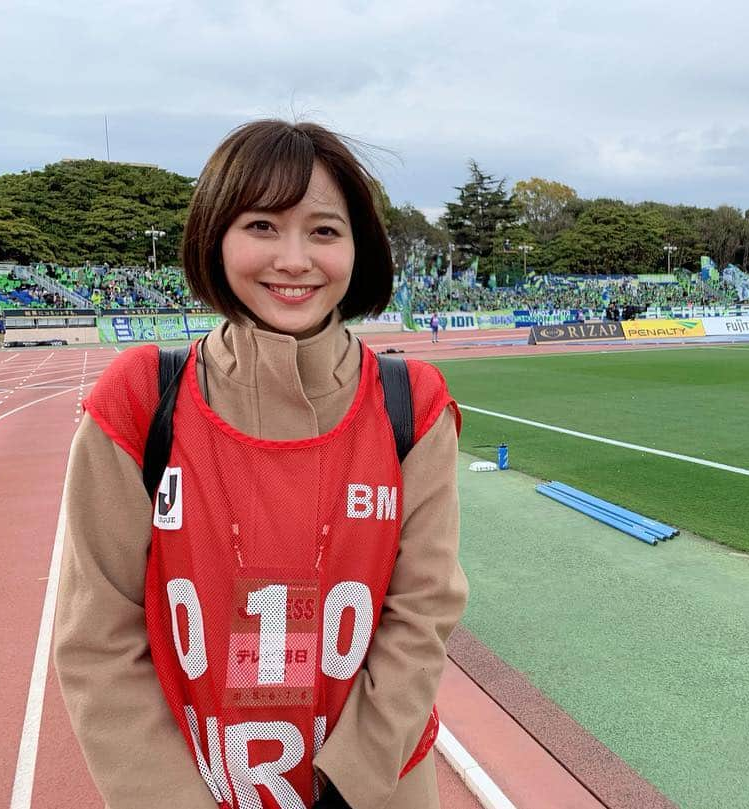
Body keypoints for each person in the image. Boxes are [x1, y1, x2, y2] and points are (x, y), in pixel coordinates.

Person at [53, 120, 468, 809]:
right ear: (215, 237)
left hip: (379, 791)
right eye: (262, 226)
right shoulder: (138, 399)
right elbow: (97, 636)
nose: (295, 258)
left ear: (359, 249)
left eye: (325, 231)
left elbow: (422, 614)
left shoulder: (413, 407)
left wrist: (349, 784)